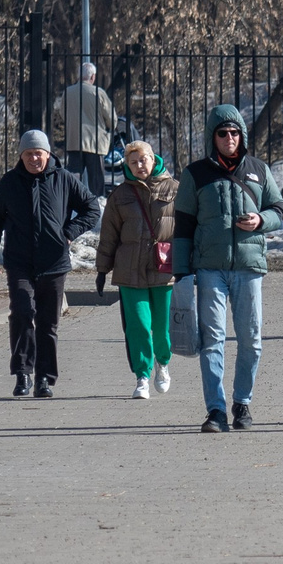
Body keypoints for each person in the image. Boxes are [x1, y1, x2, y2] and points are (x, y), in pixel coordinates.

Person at [173, 104, 283, 431]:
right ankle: (216, 411)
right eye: (222, 133)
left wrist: (261, 220)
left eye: (235, 132)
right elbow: (183, 226)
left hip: (249, 268)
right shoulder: (195, 174)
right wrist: (181, 273)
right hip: (210, 269)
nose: (229, 138)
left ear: (242, 135)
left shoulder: (259, 169)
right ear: (213, 136)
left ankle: (242, 402)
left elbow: (279, 210)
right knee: (213, 339)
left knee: (251, 339)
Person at [0, 128, 101, 399]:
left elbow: (91, 208)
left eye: (38, 153)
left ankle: (44, 378)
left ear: (48, 154)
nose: (34, 159)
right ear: (21, 156)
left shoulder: (64, 179)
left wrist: (68, 232)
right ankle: (23, 373)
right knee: (22, 312)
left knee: (48, 323)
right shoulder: (10, 182)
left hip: (54, 262)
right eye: (28, 154)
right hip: (19, 262)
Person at [94, 140, 178, 399]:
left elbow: (187, 229)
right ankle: (142, 375)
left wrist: (190, 265)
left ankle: (162, 362)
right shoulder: (120, 195)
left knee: (162, 327)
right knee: (138, 325)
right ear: (127, 166)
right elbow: (109, 234)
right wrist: (102, 269)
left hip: (164, 268)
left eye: (143, 160)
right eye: (133, 162)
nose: (140, 165)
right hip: (129, 270)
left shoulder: (175, 189)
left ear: (153, 159)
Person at [52, 60, 121, 193]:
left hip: (74, 140)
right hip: (95, 142)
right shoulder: (98, 93)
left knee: (74, 176)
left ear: (79, 76)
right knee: (96, 179)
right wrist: (109, 127)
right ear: (93, 76)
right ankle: (97, 201)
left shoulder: (68, 92)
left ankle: (73, 199)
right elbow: (112, 118)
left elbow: (63, 113)